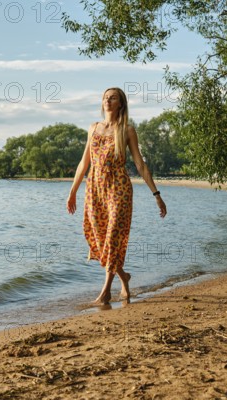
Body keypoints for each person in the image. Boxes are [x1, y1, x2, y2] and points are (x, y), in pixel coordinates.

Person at [67, 87, 167, 306]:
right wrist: (73, 191)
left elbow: (140, 164)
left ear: (121, 103)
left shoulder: (127, 130)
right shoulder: (93, 128)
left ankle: (105, 293)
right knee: (102, 240)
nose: (107, 101)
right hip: (94, 189)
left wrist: (156, 194)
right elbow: (84, 162)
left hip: (118, 188)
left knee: (112, 237)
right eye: (105, 97)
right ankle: (124, 277)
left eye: (112, 98)